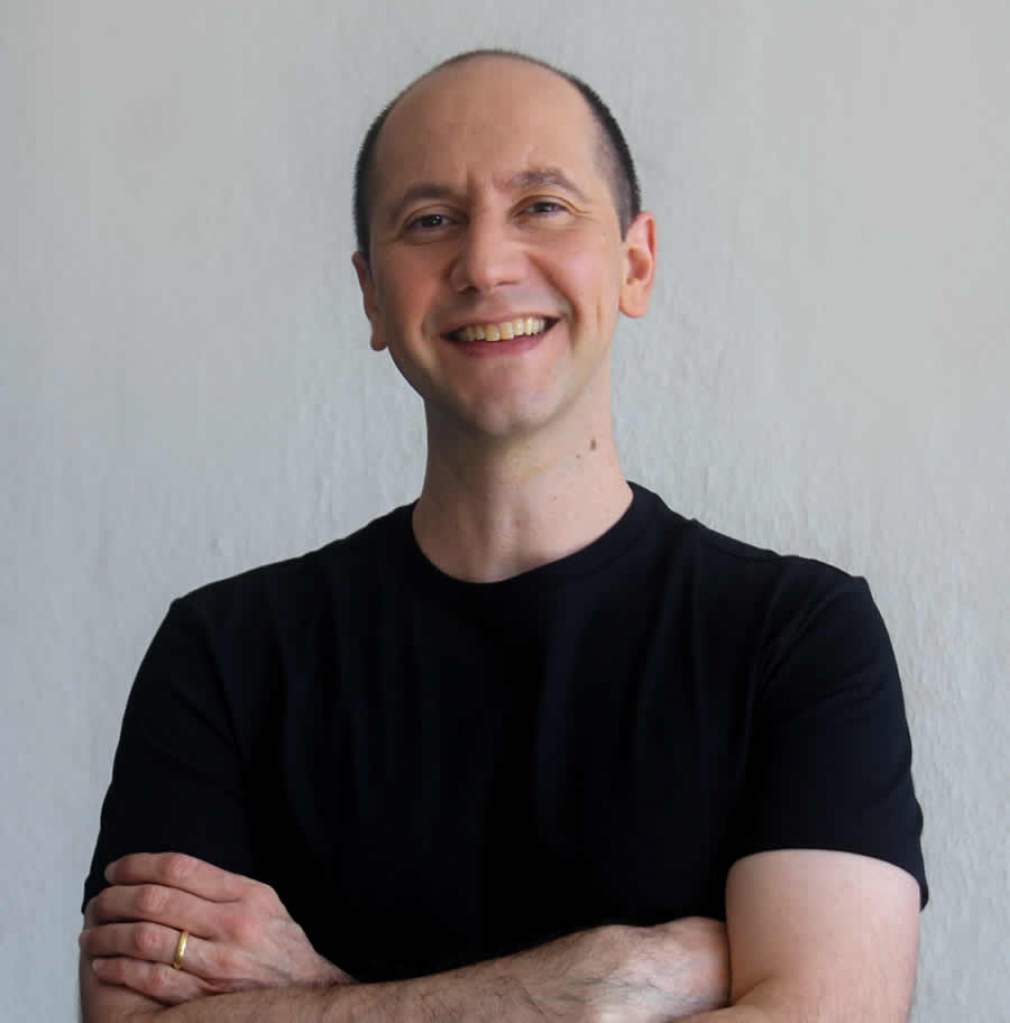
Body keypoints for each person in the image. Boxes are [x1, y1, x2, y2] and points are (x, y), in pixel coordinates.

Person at [79, 48, 928, 1022]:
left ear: (635, 263)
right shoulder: (224, 654)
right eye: (429, 220)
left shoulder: (798, 636)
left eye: (543, 206)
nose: (484, 264)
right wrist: (604, 981)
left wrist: (319, 1000)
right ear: (370, 294)